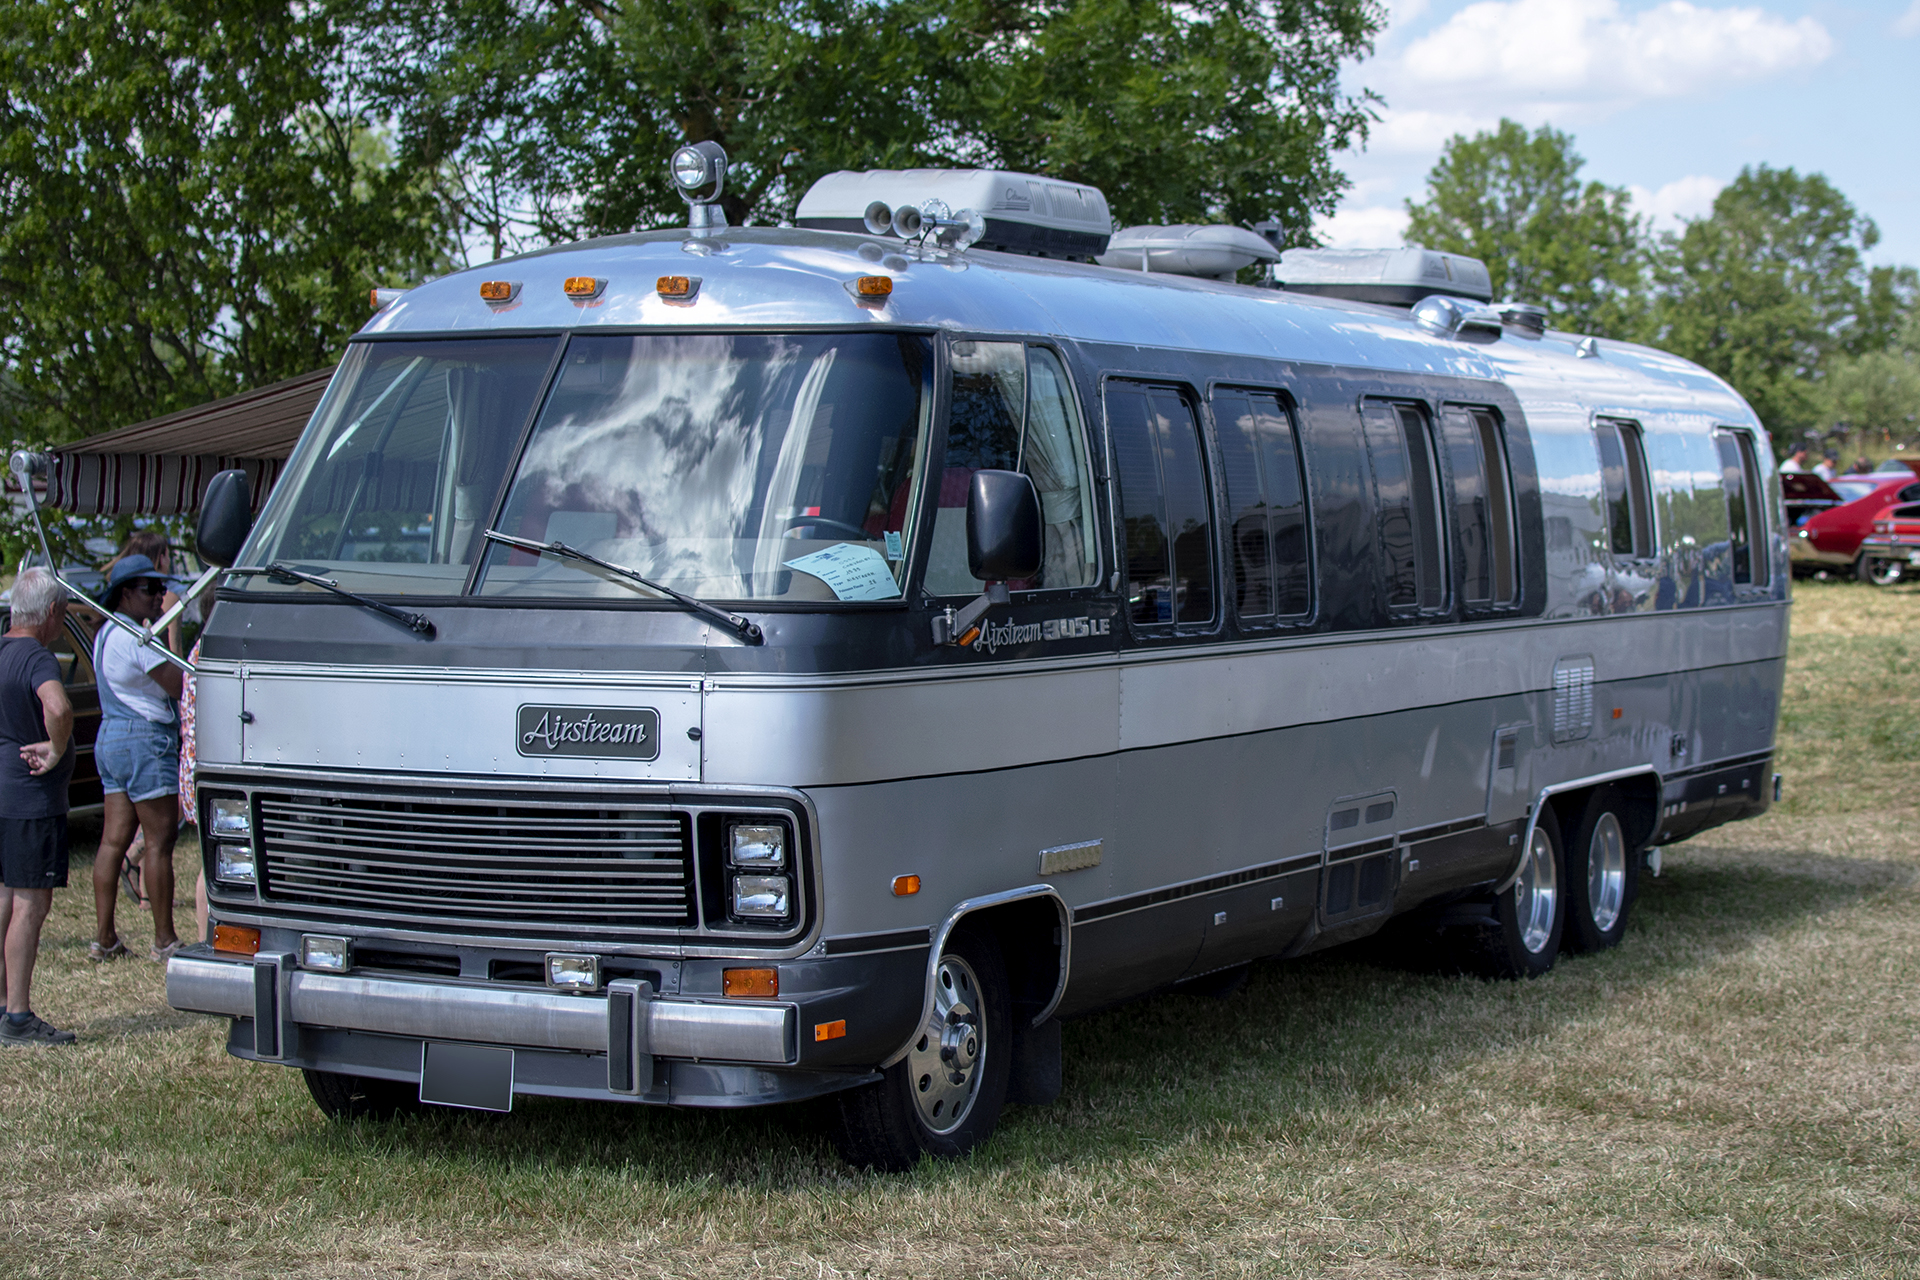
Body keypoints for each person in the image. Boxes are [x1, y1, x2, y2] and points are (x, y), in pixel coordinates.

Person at [88, 555, 184, 963]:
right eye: (151, 589)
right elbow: (178, 684)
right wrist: (165, 636)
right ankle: (165, 940)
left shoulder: (107, 633)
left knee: (113, 841)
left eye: (161, 589)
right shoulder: (137, 637)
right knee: (161, 841)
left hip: (111, 736)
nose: (159, 597)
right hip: (145, 739)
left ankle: (104, 938)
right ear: (126, 593)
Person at [0, 568, 78, 1046]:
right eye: (65, 612)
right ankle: (19, 1016)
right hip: (30, 798)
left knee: (5, 897)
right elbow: (61, 708)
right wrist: (55, 747)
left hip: (3, 793)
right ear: (51, 612)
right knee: (30, 904)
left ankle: (3, 1007)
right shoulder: (37, 657)